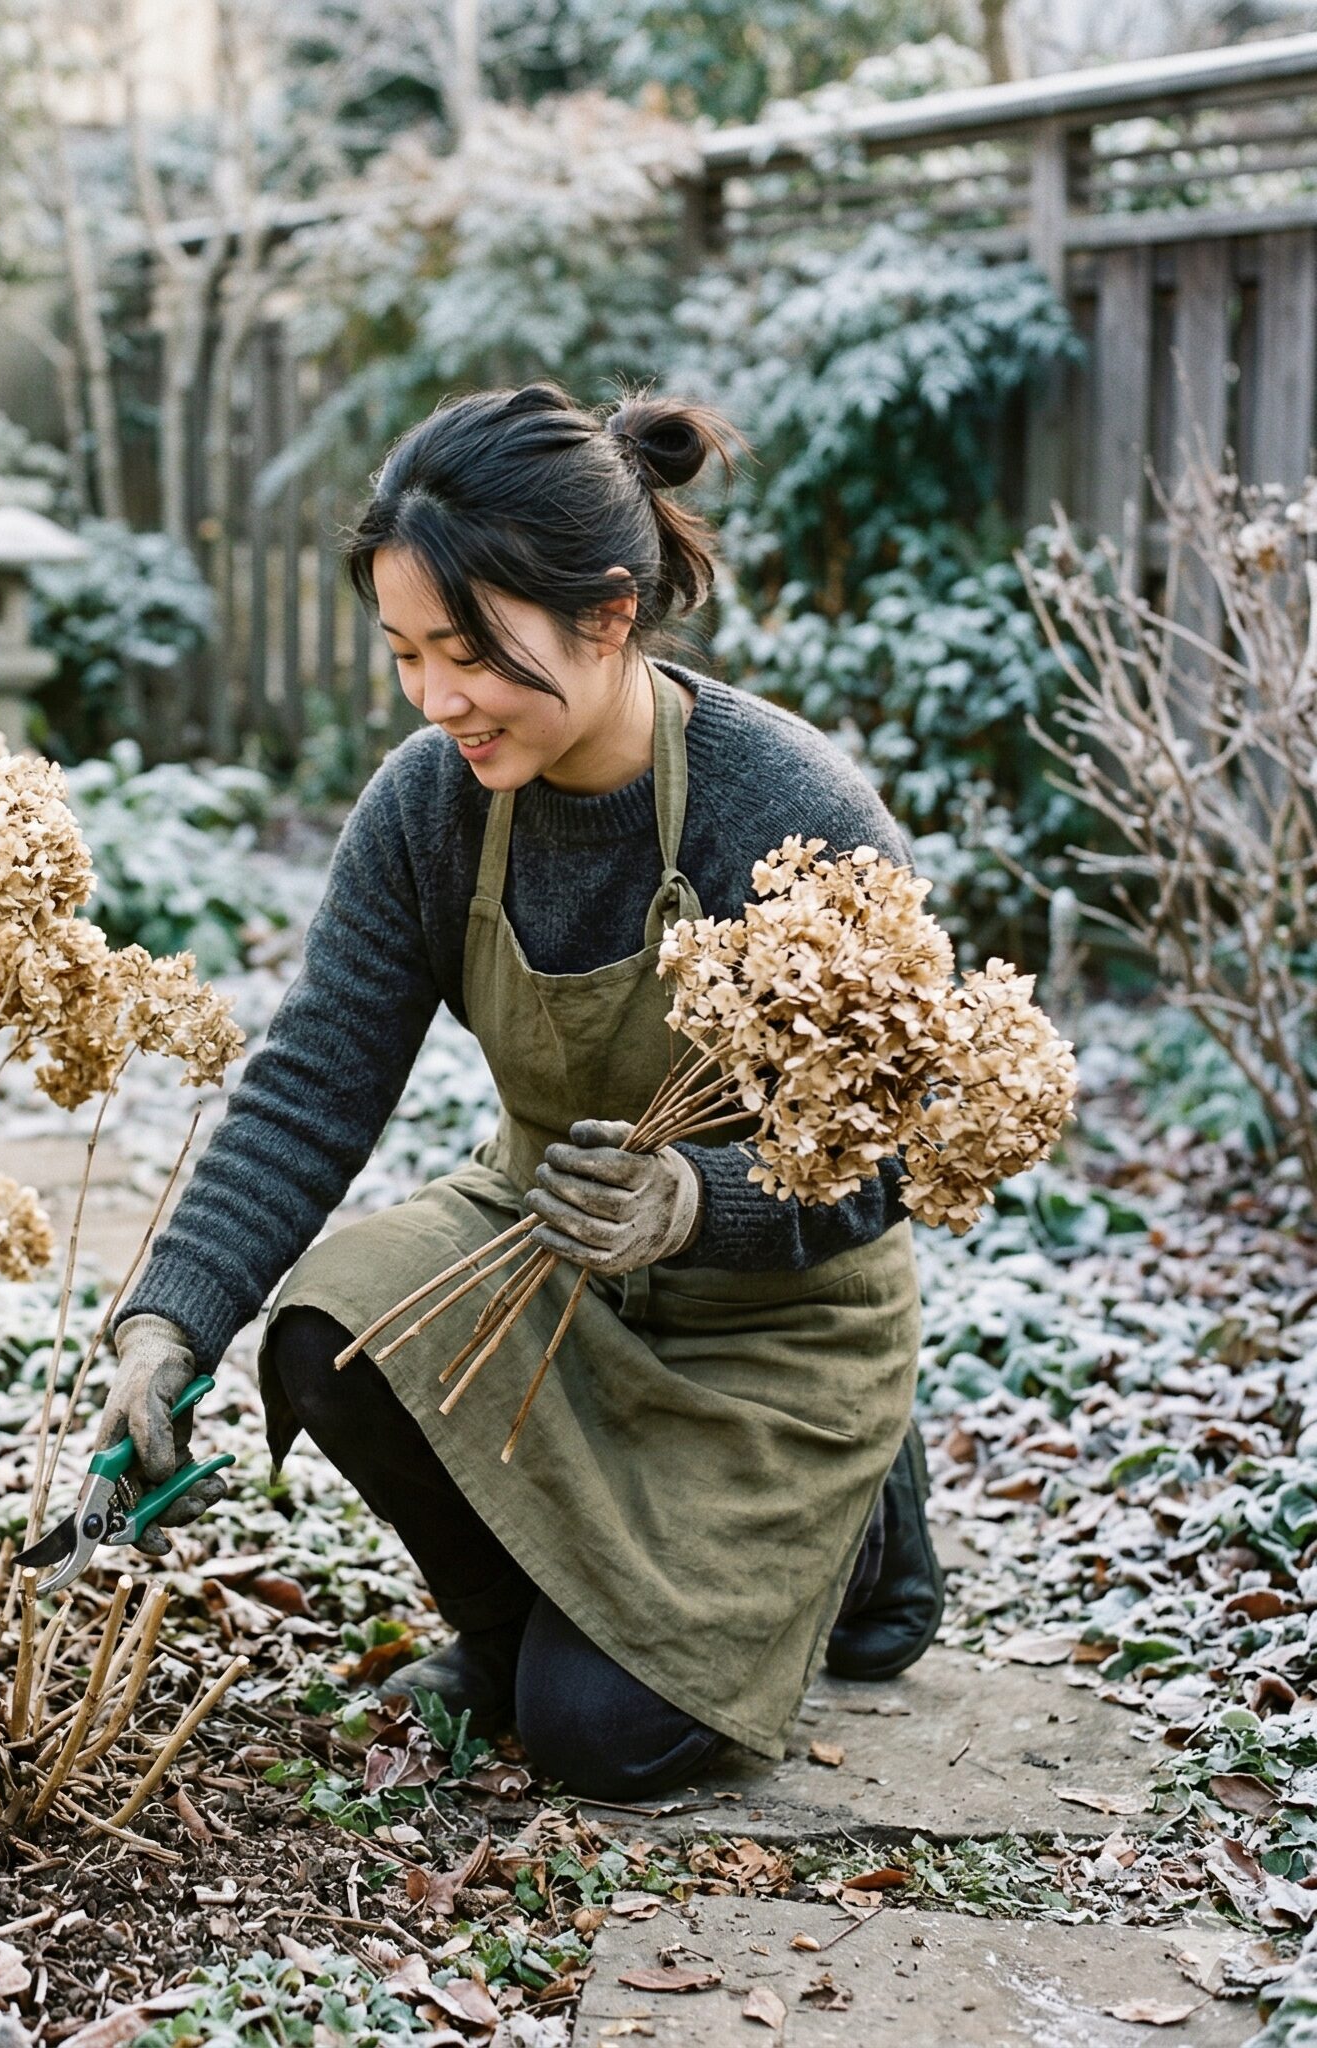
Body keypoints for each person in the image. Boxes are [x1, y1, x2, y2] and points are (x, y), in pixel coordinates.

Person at [97, 382, 943, 1801]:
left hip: (771, 1318)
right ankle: (504, 1635)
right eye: (407, 653)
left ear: (607, 616)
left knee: (604, 1744)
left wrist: (695, 1198)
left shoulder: (782, 804)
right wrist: (167, 1320)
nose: (437, 699)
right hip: (553, 1242)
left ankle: (858, 1528)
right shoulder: (430, 805)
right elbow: (311, 1087)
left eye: (471, 654)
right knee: (329, 1328)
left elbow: (903, 1142)